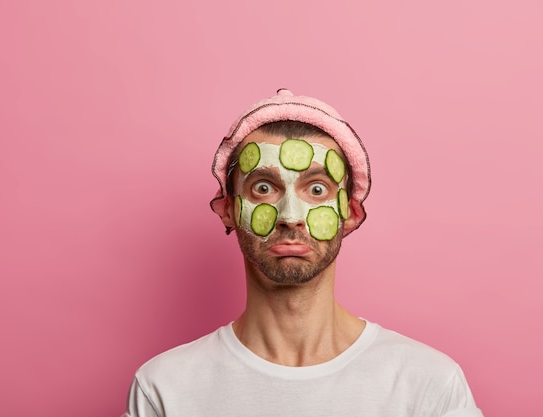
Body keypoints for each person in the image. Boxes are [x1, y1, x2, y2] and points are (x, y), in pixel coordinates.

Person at [122, 89, 483, 417]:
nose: (290, 216)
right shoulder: (164, 389)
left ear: (350, 213)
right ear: (228, 209)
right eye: (263, 188)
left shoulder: (430, 386)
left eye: (316, 189)